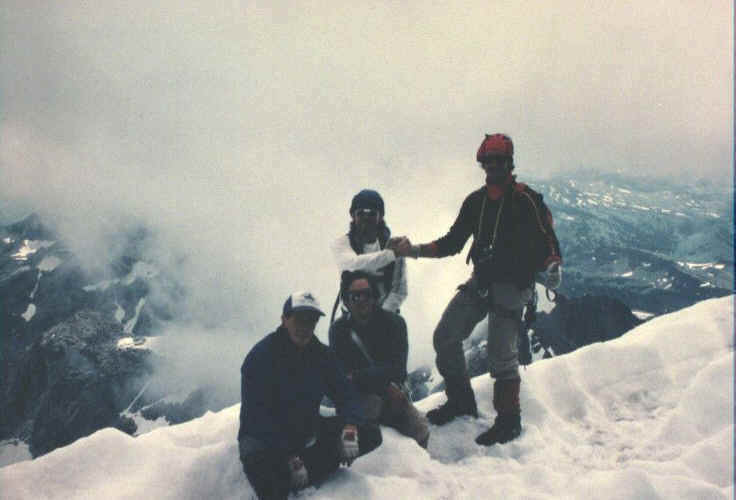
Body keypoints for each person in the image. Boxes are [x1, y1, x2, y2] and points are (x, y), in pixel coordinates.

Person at [394, 133, 562, 446]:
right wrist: (413, 250)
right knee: (445, 336)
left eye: (499, 161)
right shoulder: (476, 202)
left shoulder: (526, 200)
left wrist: (553, 264)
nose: (493, 167)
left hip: (513, 286)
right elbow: (452, 243)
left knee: (501, 356)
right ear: (483, 164)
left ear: (509, 164)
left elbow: (548, 239)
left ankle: (509, 420)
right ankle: (461, 401)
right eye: (489, 161)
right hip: (483, 281)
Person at [238, 291, 382, 499]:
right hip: (264, 439)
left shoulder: (322, 355)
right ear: (284, 319)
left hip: (304, 429)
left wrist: (350, 427)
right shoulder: (260, 357)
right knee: (270, 483)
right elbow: (257, 418)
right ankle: (298, 472)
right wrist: (290, 456)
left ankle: (301, 472)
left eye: (311, 321)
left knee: (369, 433)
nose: (305, 327)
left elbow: (345, 393)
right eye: (299, 319)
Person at [329, 271, 430, 448]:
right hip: (360, 394)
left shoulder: (395, 324)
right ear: (346, 300)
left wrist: (360, 376)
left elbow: (398, 370)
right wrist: (376, 379)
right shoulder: (339, 331)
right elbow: (341, 376)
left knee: (420, 429)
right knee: (372, 409)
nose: (362, 300)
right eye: (355, 296)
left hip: (389, 391)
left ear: (374, 297)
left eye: (367, 294)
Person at [331, 189, 407, 315]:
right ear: (353, 216)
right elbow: (353, 265)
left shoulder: (395, 246)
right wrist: (391, 254)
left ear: (380, 216)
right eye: (360, 213)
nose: (366, 218)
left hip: (385, 317)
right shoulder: (341, 244)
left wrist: (381, 316)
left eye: (372, 213)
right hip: (350, 316)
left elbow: (399, 290)